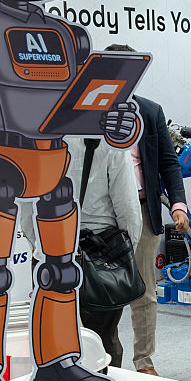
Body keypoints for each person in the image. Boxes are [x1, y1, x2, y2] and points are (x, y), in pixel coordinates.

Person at [104, 44, 190, 376]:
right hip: (103, 215)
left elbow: (169, 164)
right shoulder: (89, 111)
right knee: (102, 290)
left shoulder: (150, 111)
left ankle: (144, 361)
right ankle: (106, 357)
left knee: (144, 291)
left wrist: (178, 205)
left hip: (143, 210)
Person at [20, 138, 141, 368]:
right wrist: (124, 256)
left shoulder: (34, 137)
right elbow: (128, 209)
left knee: (53, 342)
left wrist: (40, 247)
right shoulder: (109, 139)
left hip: (49, 257)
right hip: (102, 260)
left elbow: (26, 208)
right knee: (102, 342)